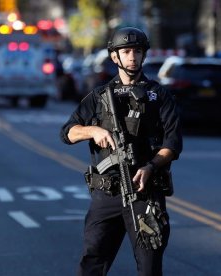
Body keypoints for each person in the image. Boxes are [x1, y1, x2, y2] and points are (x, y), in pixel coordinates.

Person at [60, 27, 183, 276]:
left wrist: (151, 167)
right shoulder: (99, 97)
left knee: (149, 267)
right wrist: (93, 131)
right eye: (126, 51)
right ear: (115, 57)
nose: (132, 57)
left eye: (137, 51)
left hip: (145, 192)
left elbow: (173, 143)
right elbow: (68, 132)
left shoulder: (158, 96)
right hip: (107, 195)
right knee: (92, 263)